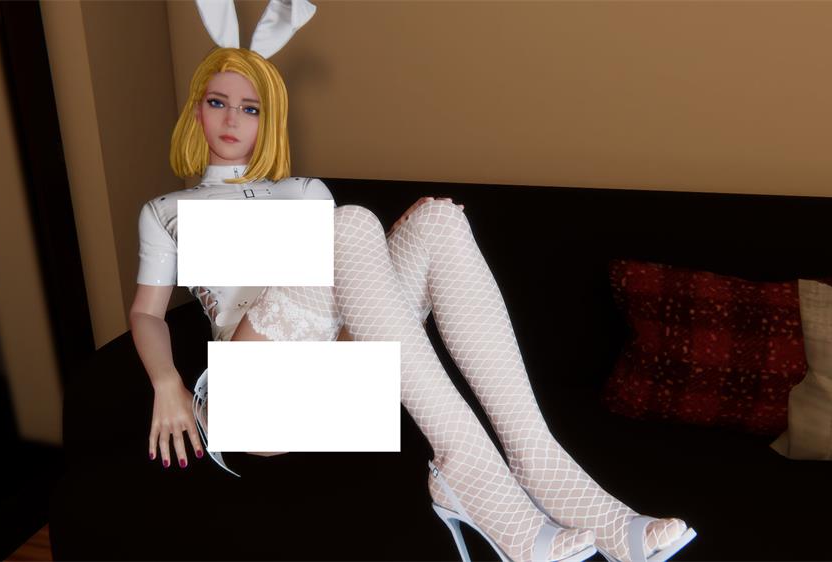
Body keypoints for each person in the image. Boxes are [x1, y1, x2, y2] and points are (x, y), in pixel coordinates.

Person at [130, 2, 696, 561]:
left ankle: (541, 463)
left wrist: (404, 243)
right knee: (353, 222)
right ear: (196, 110)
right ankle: (474, 473)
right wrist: (166, 381)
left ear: (269, 118)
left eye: (250, 108)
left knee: (438, 220)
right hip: (254, 402)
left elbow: (350, 292)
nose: (232, 120)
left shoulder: (304, 192)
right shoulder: (167, 210)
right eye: (218, 102)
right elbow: (146, 313)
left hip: (331, 381)